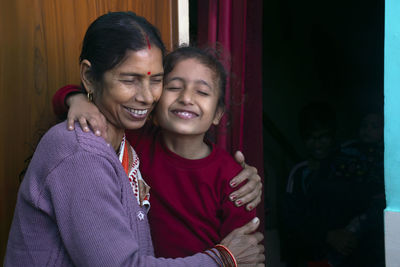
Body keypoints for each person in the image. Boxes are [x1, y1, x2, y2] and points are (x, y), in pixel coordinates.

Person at [5, 12, 264, 266]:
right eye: (130, 80)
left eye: (157, 82)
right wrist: (222, 259)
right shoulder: (81, 152)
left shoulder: (126, 141)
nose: (146, 97)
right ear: (88, 76)